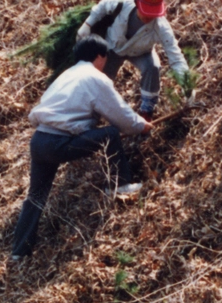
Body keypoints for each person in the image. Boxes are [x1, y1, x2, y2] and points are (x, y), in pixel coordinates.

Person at [10, 35, 149, 259]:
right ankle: (121, 185)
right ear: (100, 56)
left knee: (35, 196)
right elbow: (120, 115)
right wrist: (141, 126)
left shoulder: (67, 74)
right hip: (59, 142)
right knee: (110, 134)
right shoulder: (95, 77)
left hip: (40, 141)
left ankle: (19, 252)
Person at [76, 0, 190, 118]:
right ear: (137, 4)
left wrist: (187, 83)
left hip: (141, 52)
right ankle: (92, 114)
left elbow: (175, 56)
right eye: (146, 12)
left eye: (154, 13)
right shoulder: (121, 4)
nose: (149, 17)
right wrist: (88, 24)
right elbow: (102, 6)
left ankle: (147, 110)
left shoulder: (161, 27)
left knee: (152, 67)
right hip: (113, 48)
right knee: (101, 81)